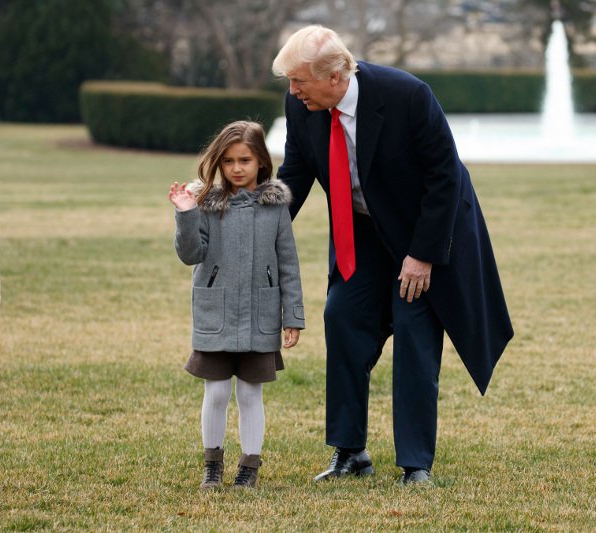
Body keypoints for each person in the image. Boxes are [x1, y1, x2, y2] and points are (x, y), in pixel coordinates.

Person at [271, 26, 513, 484]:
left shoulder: (407, 95)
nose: (292, 90)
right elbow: (295, 176)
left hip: (421, 233)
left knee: (413, 328)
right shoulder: (300, 107)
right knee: (342, 316)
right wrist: (254, 222)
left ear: (337, 75)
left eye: (299, 80)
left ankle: (415, 464)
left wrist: (422, 255)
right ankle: (350, 453)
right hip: (360, 233)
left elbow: (446, 176)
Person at [169, 121, 305, 489]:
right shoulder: (206, 206)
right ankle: (212, 464)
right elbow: (190, 254)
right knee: (215, 392)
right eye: (228, 161)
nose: (236, 168)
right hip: (217, 314)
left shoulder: (275, 208)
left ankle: (249, 467)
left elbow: (288, 264)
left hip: (260, 316)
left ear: (261, 161)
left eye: (245, 159)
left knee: (249, 393)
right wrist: (185, 214)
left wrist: (292, 316)